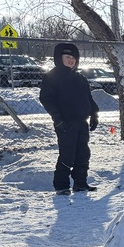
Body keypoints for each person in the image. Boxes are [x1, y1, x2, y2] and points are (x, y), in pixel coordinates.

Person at [39, 42, 99, 195]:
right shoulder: (52, 77)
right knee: (68, 153)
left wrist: (94, 114)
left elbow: (89, 98)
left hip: (81, 121)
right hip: (65, 122)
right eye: (67, 57)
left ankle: (80, 182)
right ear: (59, 58)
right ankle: (61, 185)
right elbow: (47, 99)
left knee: (83, 152)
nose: (71, 60)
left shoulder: (80, 78)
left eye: (73, 58)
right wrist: (57, 118)